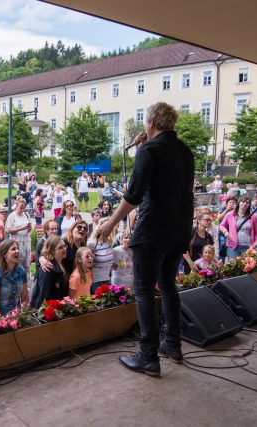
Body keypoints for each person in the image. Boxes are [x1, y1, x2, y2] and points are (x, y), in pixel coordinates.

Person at [100, 102, 194, 376]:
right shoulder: (185, 151)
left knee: (142, 290)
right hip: (178, 229)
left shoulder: (151, 150)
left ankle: (148, 355)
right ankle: (173, 345)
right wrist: (144, 146)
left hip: (153, 229)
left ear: (151, 120)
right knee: (167, 286)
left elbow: (134, 195)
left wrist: (111, 222)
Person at [0, 239, 29, 315]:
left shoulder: (22, 271)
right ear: (4, 254)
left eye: (17, 248)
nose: (17, 251)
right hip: (1, 319)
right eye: (13, 249)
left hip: (18, 316)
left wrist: (25, 315)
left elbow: (25, 297)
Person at [30, 235, 68, 308]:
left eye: (64, 246)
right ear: (52, 251)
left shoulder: (63, 262)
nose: (64, 249)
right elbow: (44, 296)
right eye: (60, 247)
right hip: (50, 311)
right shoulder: (47, 268)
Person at [5, 196, 33, 282]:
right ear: (16, 206)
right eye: (21, 208)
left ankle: (26, 282)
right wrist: (21, 228)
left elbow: (30, 229)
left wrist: (29, 228)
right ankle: (17, 281)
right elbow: (8, 230)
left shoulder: (26, 214)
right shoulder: (12, 216)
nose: (22, 210)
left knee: (27, 263)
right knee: (18, 262)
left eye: (24, 208)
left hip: (26, 241)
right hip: (17, 242)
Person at [87, 217, 115, 293]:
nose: (108, 229)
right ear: (99, 228)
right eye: (106, 227)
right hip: (96, 282)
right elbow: (87, 264)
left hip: (107, 280)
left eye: (110, 227)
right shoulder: (92, 244)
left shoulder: (110, 242)